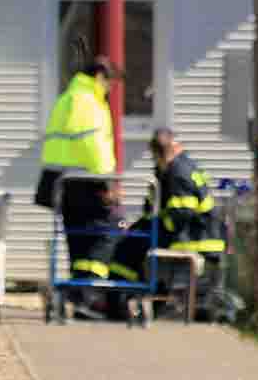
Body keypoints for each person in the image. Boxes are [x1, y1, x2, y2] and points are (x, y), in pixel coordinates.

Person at [36, 56, 120, 315]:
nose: (110, 89)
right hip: (88, 182)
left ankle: (77, 294)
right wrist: (109, 182)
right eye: (110, 83)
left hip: (61, 182)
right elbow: (93, 145)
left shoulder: (66, 98)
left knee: (78, 240)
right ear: (99, 77)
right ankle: (84, 295)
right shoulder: (90, 102)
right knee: (111, 231)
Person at [110, 129, 222, 289]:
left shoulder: (178, 172)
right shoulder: (177, 168)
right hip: (194, 235)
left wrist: (156, 227)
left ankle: (119, 295)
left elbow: (181, 214)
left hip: (193, 238)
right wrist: (138, 226)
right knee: (134, 238)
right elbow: (154, 209)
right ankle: (135, 293)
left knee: (128, 247)